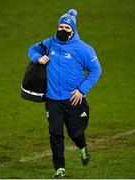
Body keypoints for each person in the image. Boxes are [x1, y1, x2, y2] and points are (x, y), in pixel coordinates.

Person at [28, 9, 102, 178]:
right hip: (52, 99)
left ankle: (82, 147)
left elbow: (96, 70)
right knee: (55, 133)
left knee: (75, 132)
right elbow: (32, 49)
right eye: (60, 26)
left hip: (73, 99)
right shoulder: (51, 43)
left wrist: (82, 90)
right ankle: (59, 168)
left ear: (73, 30)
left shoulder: (84, 49)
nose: (62, 30)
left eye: (66, 28)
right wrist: (38, 58)